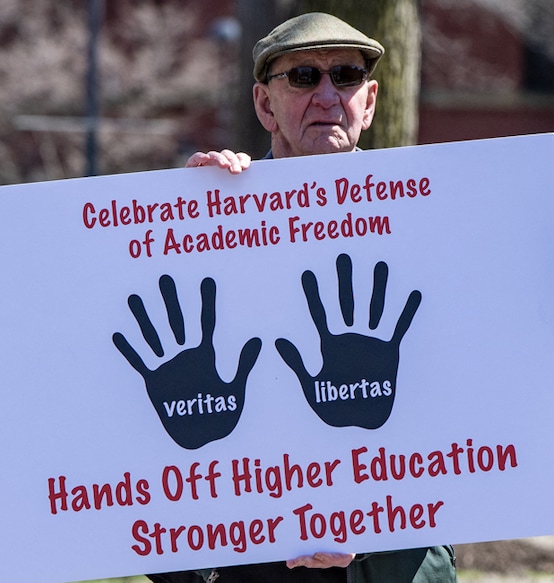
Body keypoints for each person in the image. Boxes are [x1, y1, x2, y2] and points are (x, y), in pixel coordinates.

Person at [149, 12, 457, 583]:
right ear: (265, 106)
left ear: (368, 102)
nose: (326, 95)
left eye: (344, 76)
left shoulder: (431, 228)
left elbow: (474, 431)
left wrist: (372, 532)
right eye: (302, 78)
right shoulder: (213, 220)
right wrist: (191, 219)